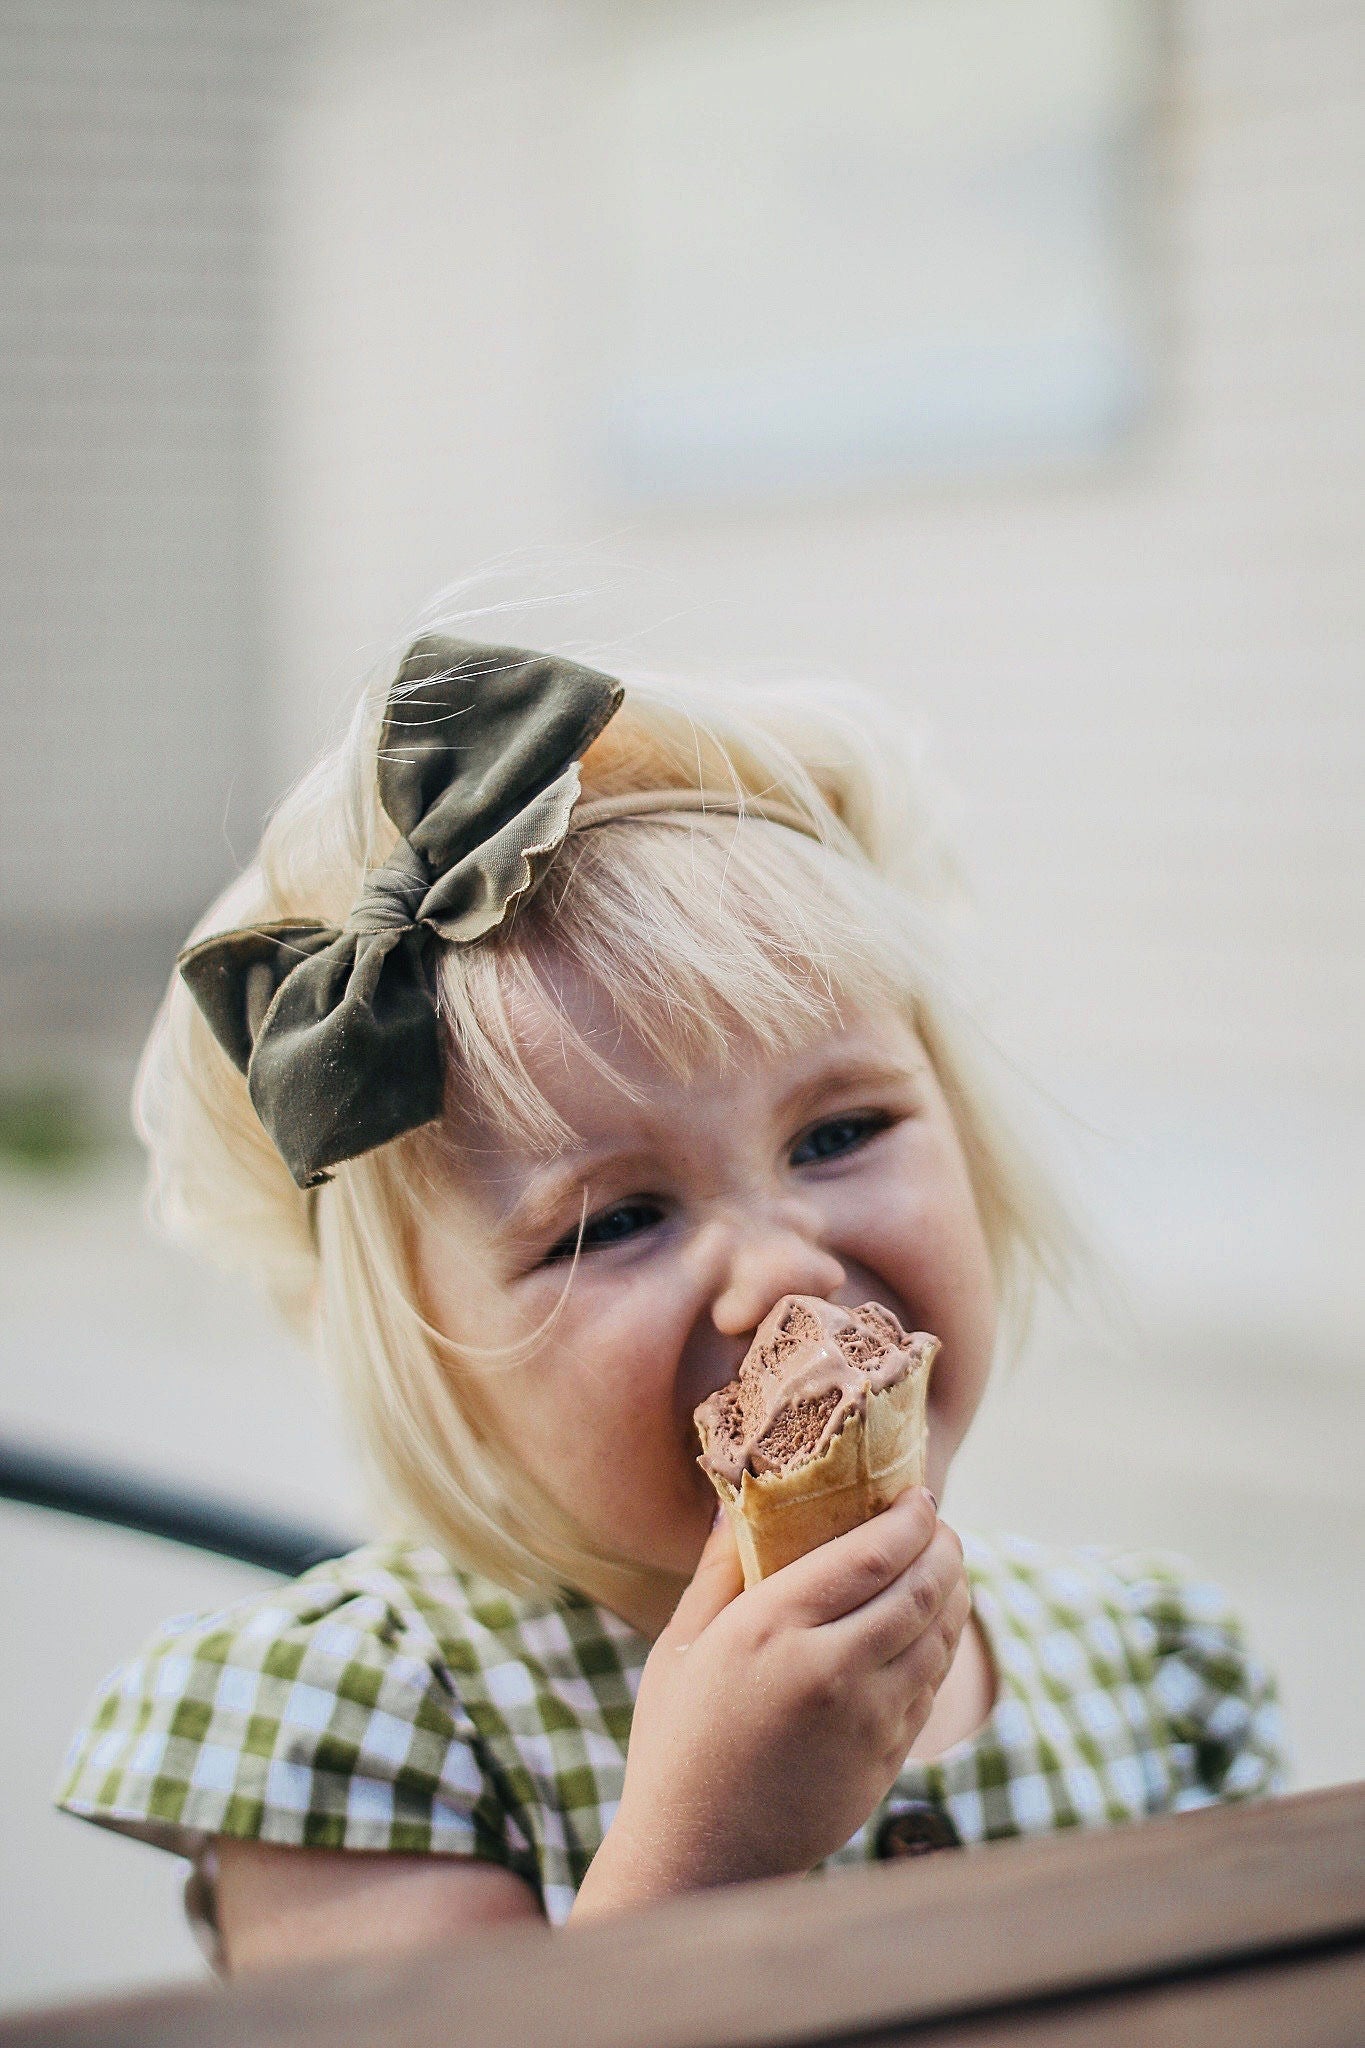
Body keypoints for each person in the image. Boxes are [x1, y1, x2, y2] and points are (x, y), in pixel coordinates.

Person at [56, 632, 1284, 1974]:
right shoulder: (361, 1729)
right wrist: (703, 1859)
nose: (781, 1273)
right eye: (615, 1221)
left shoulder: (1156, 1670)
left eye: (840, 1132)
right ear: (424, 1347)